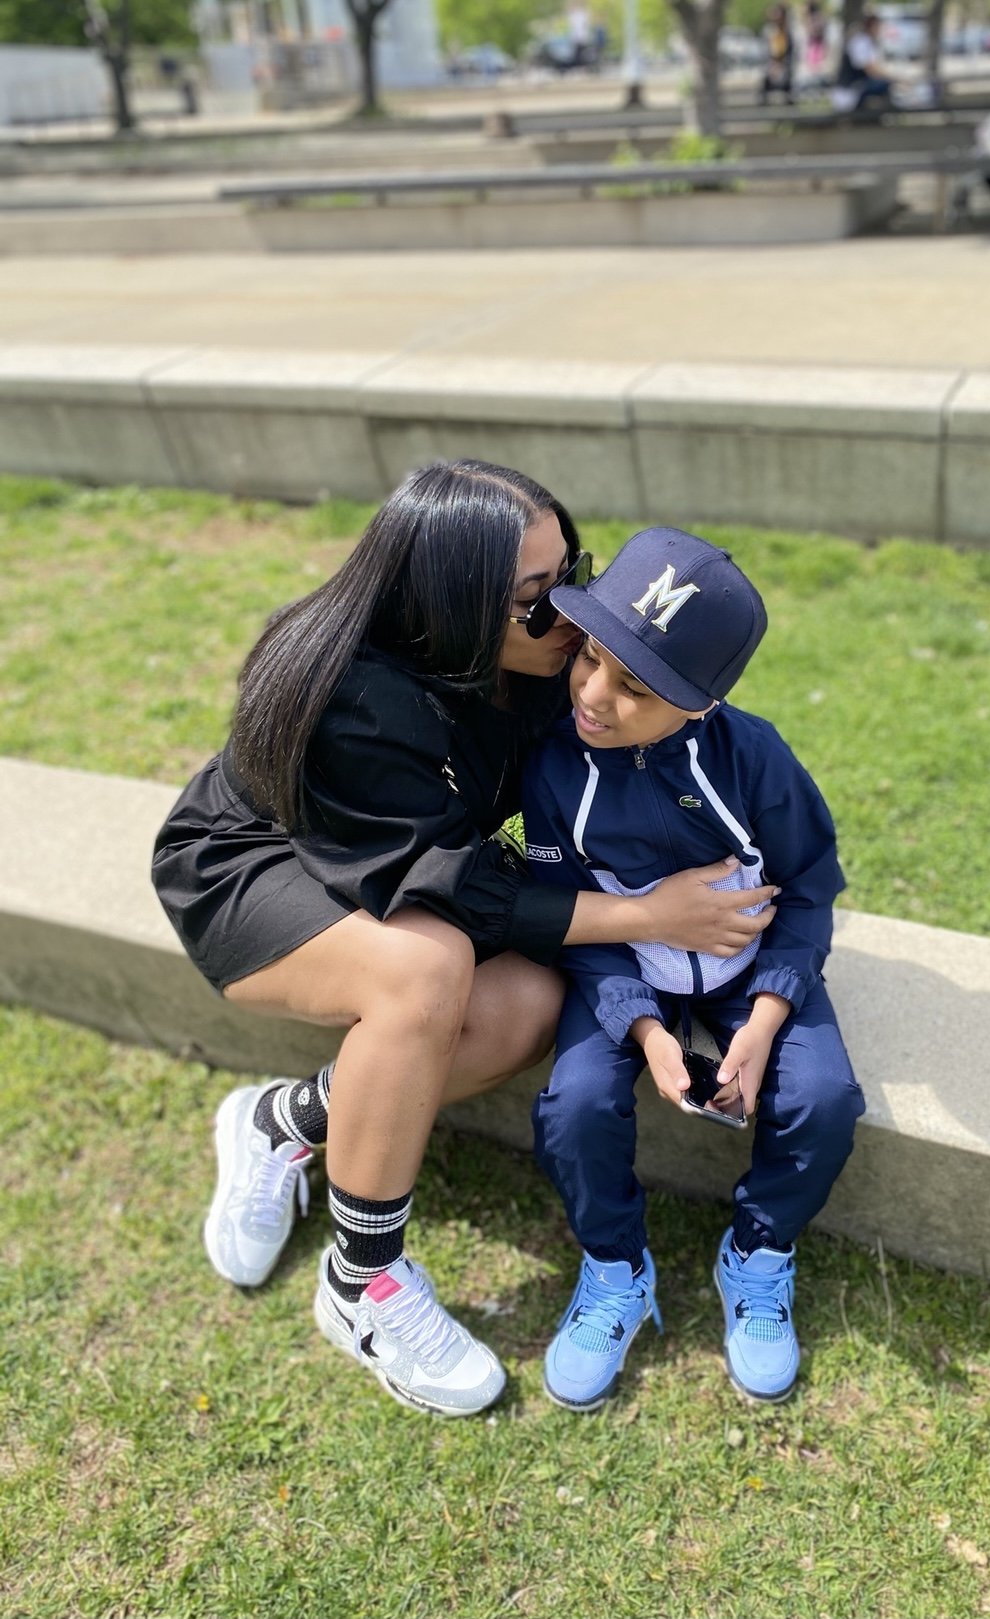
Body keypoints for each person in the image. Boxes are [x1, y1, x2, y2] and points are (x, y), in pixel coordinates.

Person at [151, 464, 778, 1418]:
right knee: (426, 969)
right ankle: (364, 1282)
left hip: (384, 865)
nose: (572, 615)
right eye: (536, 602)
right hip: (251, 867)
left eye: (573, 573)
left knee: (527, 1002)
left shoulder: (530, 659)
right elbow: (451, 884)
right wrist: (654, 917)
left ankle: (288, 1121)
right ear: (445, 605)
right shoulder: (355, 694)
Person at [520, 528, 865, 1408]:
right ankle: (613, 1265)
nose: (595, 695)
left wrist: (763, 1022)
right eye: (589, 658)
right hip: (623, 967)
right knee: (576, 1104)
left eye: (634, 687)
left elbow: (811, 888)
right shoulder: (555, 767)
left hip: (753, 970)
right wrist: (646, 1030)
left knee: (824, 1097)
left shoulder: (755, 758)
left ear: (701, 703)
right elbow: (579, 921)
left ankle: (758, 1249)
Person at [839, 14, 893, 109]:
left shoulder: (866, 41)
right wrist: (894, 78)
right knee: (884, 85)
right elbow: (871, 70)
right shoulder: (861, 42)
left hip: (855, 88)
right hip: (849, 91)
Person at [760, 3, 797, 105]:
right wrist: (773, 66)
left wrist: (782, 66)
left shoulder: (788, 34)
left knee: (788, 80)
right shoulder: (769, 32)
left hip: (785, 66)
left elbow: (790, 54)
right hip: (771, 67)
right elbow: (766, 54)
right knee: (765, 79)